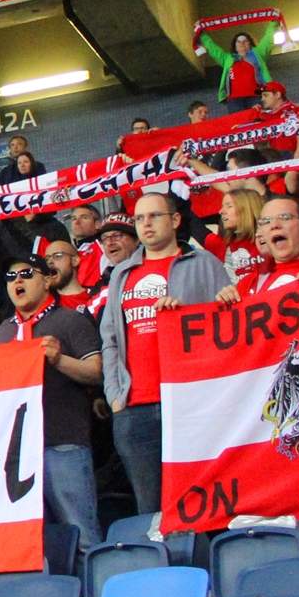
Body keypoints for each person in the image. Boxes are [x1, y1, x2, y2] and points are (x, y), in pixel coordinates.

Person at [97, 193, 226, 516]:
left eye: (154, 216)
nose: (146, 224)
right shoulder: (121, 273)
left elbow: (227, 327)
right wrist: (115, 395)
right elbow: (110, 339)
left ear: (176, 220)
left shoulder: (205, 263)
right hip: (135, 407)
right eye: (139, 219)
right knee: (151, 512)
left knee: (202, 505)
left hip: (190, 403)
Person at [0, 252, 104, 548]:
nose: (17, 280)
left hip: (63, 442)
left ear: (47, 281)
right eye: (11, 277)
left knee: (81, 535)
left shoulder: (70, 320)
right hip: (18, 452)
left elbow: (97, 372)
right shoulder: (4, 332)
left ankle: (94, 579)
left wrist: (59, 360)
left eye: (26, 274)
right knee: (34, 544)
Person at [199, 23, 277, 113]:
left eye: (245, 41)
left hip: (256, 96)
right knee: (239, 121)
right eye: (238, 41)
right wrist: (201, 33)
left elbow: (268, 39)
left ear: (250, 44)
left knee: (258, 119)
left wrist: (274, 22)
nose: (242, 43)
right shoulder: (227, 58)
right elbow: (213, 49)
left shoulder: (258, 54)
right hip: (234, 100)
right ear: (235, 46)